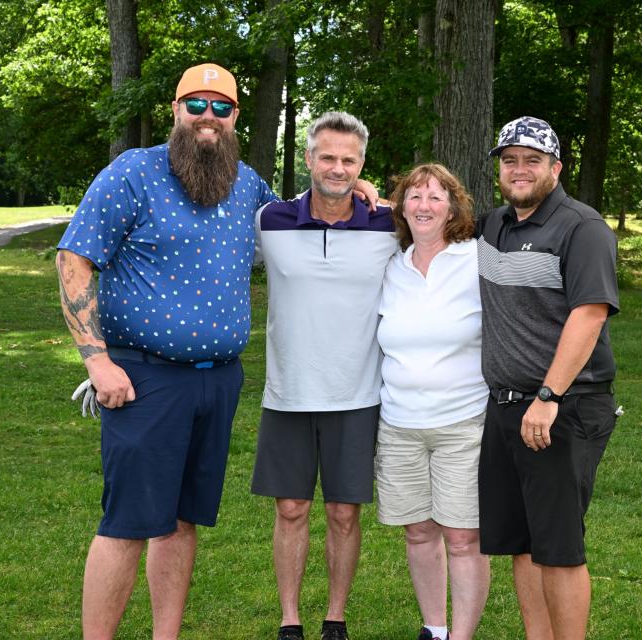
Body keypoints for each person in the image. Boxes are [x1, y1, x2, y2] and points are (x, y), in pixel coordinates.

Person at [56, 64, 378, 640]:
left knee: (181, 523)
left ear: (233, 117)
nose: (209, 117)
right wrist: (96, 359)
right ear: (175, 109)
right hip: (143, 380)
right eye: (197, 104)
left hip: (217, 382)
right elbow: (74, 259)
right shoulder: (134, 173)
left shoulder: (245, 184)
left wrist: (355, 190)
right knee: (127, 522)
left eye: (222, 107)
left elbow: (301, 214)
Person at [251, 111, 398, 640]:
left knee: (342, 513)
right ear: (309, 159)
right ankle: (290, 620)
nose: (337, 168)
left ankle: (335, 618)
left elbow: (442, 223)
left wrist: (381, 194)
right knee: (290, 509)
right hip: (287, 393)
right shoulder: (270, 220)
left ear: (361, 165)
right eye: (328, 157)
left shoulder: (389, 224)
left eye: (349, 160)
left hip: (358, 394)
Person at [476, 116, 620, 640]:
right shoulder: (492, 226)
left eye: (532, 160)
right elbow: (428, 213)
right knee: (523, 543)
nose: (519, 170)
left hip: (562, 408)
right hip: (506, 408)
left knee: (557, 550)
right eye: (509, 160)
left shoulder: (582, 229)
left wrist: (548, 395)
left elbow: (590, 315)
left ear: (555, 168)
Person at [374, 164, 490, 640]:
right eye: (414, 196)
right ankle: (434, 629)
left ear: (453, 207)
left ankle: (460, 637)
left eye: (435, 197)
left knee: (463, 537)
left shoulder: (477, 258)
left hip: (463, 421)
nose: (424, 206)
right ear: (400, 207)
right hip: (399, 423)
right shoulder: (391, 266)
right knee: (418, 531)